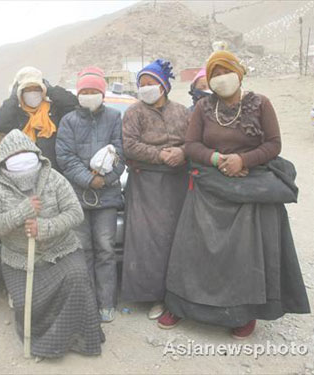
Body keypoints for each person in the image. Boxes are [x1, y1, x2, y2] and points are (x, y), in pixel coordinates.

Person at [163, 51, 310, 338]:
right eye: (214, 74)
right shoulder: (204, 108)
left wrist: (244, 160)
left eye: (224, 72)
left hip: (249, 186)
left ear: (239, 73)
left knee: (244, 257)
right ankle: (182, 306)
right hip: (209, 187)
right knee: (194, 250)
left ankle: (242, 315)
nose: (220, 79)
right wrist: (218, 159)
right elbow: (191, 145)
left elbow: (274, 144)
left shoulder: (261, 104)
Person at [0, 130, 104, 360]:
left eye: (27, 157)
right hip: (19, 257)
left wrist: (45, 228)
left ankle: (79, 338)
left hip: (61, 250)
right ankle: (43, 341)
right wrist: (20, 213)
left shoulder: (53, 178)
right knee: (28, 302)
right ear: (4, 164)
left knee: (77, 277)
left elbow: (75, 213)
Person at [120, 59, 190, 320]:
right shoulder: (134, 113)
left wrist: (182, 152)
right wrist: (162, 155)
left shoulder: (183, 112)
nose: (146, 88)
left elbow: (194, 141)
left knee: (177, 239)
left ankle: (177, 296)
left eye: (151, 83)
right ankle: (152, 297)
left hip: (179, 183)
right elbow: (129, 146)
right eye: (142, 84)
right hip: (146, 183)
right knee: (149, 241)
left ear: (164, 85)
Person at [56, 66, 124, 323]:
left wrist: (105, 179)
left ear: (102, 93)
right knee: (81, 249)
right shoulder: (68, 121)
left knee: (106, 249)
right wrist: (88, 179)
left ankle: (106, 302)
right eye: (84, 90)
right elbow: (65, 156)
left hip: (107, 197)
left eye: (93, 90)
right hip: (77, 196)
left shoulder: (115, 118)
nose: (88, 94)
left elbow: (121, 152)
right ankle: (85, 301)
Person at [0, 67, 78, 170]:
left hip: (54, 172)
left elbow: (73, 105)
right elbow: (0, 125)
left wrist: (52, 90)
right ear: (20, 93)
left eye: (36, 89)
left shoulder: (54, 110)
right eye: (27, 90)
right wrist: (13, 98)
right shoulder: (17, 114)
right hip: (26, 171)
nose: (32, 93)